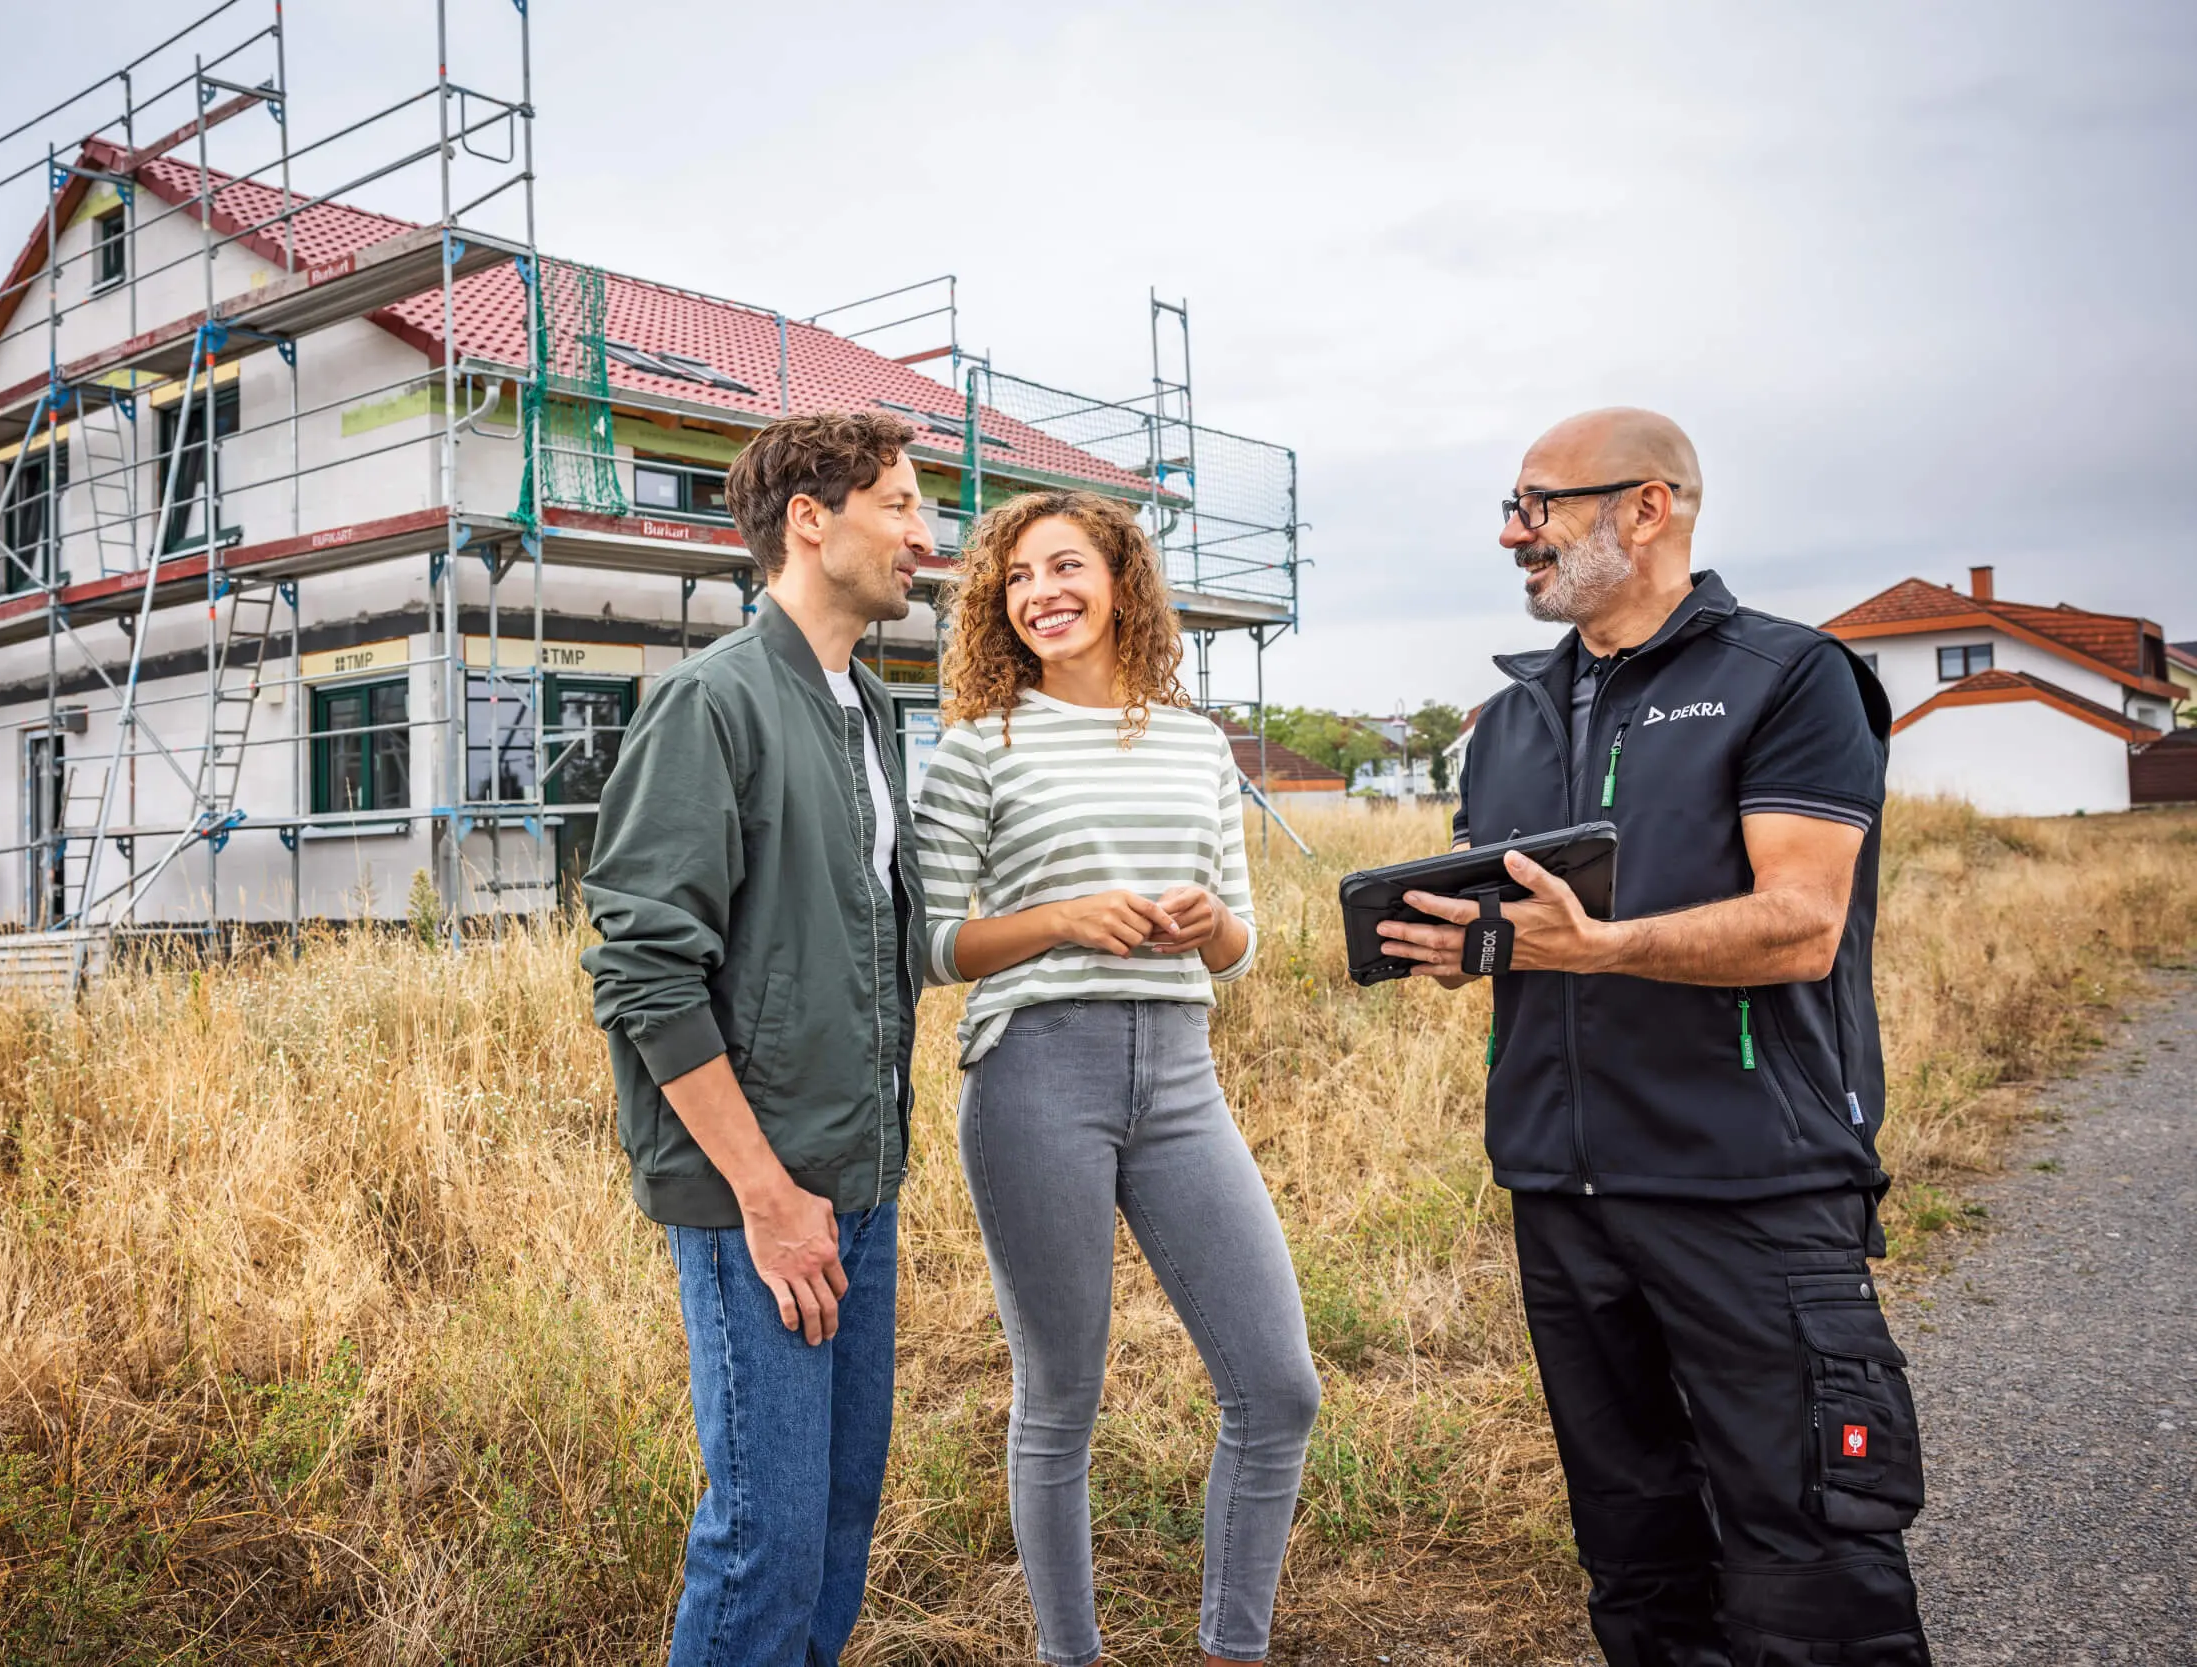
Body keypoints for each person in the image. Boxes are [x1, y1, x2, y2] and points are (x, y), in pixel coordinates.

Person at [1378, 409, 1932, 1666]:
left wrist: (1604, 947)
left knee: (1809, 1556)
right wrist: (1461, 947)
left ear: (1649, 506)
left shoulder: (1789, 676)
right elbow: (1534, 927)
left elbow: (1800, 924)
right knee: (1635, 1558)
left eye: (1539, 502)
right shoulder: (1508, 716)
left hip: (1750, 1184)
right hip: (1562, 1193)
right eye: (1509, 505)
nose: (1512, 531)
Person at [914, 490, 1320, 1667]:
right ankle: (1069, 1655)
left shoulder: (1197, 743)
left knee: (1277, 1386)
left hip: (1182, 1074)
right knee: (1061, 1396)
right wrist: (1055, 920)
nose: (1040, 592)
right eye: (1016, 579)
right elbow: (932, 947)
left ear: (1121, 580)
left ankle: (1230, 1649)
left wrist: (1203, 925)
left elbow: (1240, 940)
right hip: (1036, 1072)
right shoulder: (978, 744)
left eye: (1064, 566)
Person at [580, 410, 930, 1667]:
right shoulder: (709, 702)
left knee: (836, 1524)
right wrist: (767, 1191)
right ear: (809, 519)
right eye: (898, 503)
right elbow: (643, 968)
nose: (922, 536)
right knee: (764, 1543)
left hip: (858, 1182)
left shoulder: (873, 709)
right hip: (761, 1198)